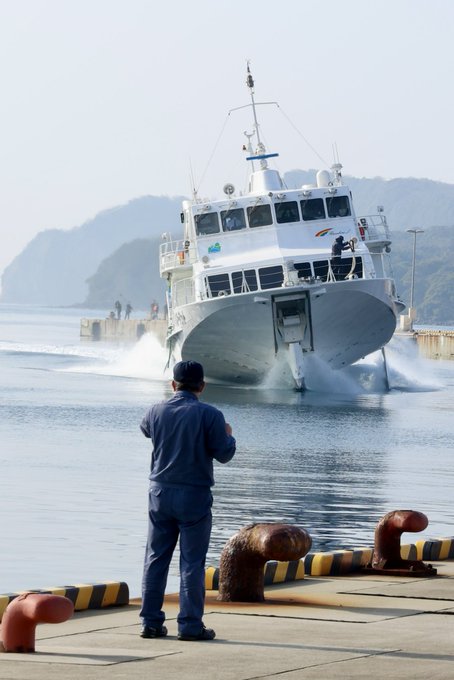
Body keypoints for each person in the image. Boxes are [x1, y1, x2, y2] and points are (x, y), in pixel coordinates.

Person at [139, 360, 236, 642]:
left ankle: (150, 622)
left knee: (155, 558)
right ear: (202, 386)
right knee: (192, 563)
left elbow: (146, 430)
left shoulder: (155, 410)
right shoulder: (211, 415)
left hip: (159, 493)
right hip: (193, 494)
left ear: (173, 385)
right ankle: (190, 626)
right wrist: (229, 436)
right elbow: (224, 454)